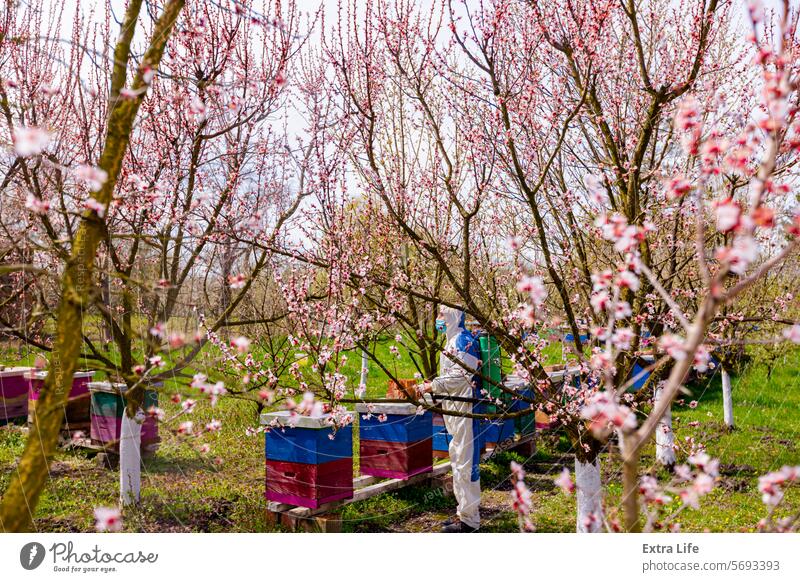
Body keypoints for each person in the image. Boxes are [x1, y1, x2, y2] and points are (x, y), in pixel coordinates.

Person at [423, 306, 482, 533]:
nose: (438, 319)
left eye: (441, 315)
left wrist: (432, 386)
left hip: (465, 409)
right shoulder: (451, 341)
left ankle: (470, 521)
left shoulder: (462, 340)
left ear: (453, 316)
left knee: (465, 463)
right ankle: (463, 514)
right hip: (455, 409)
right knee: (458, 459)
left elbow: (462, 376)